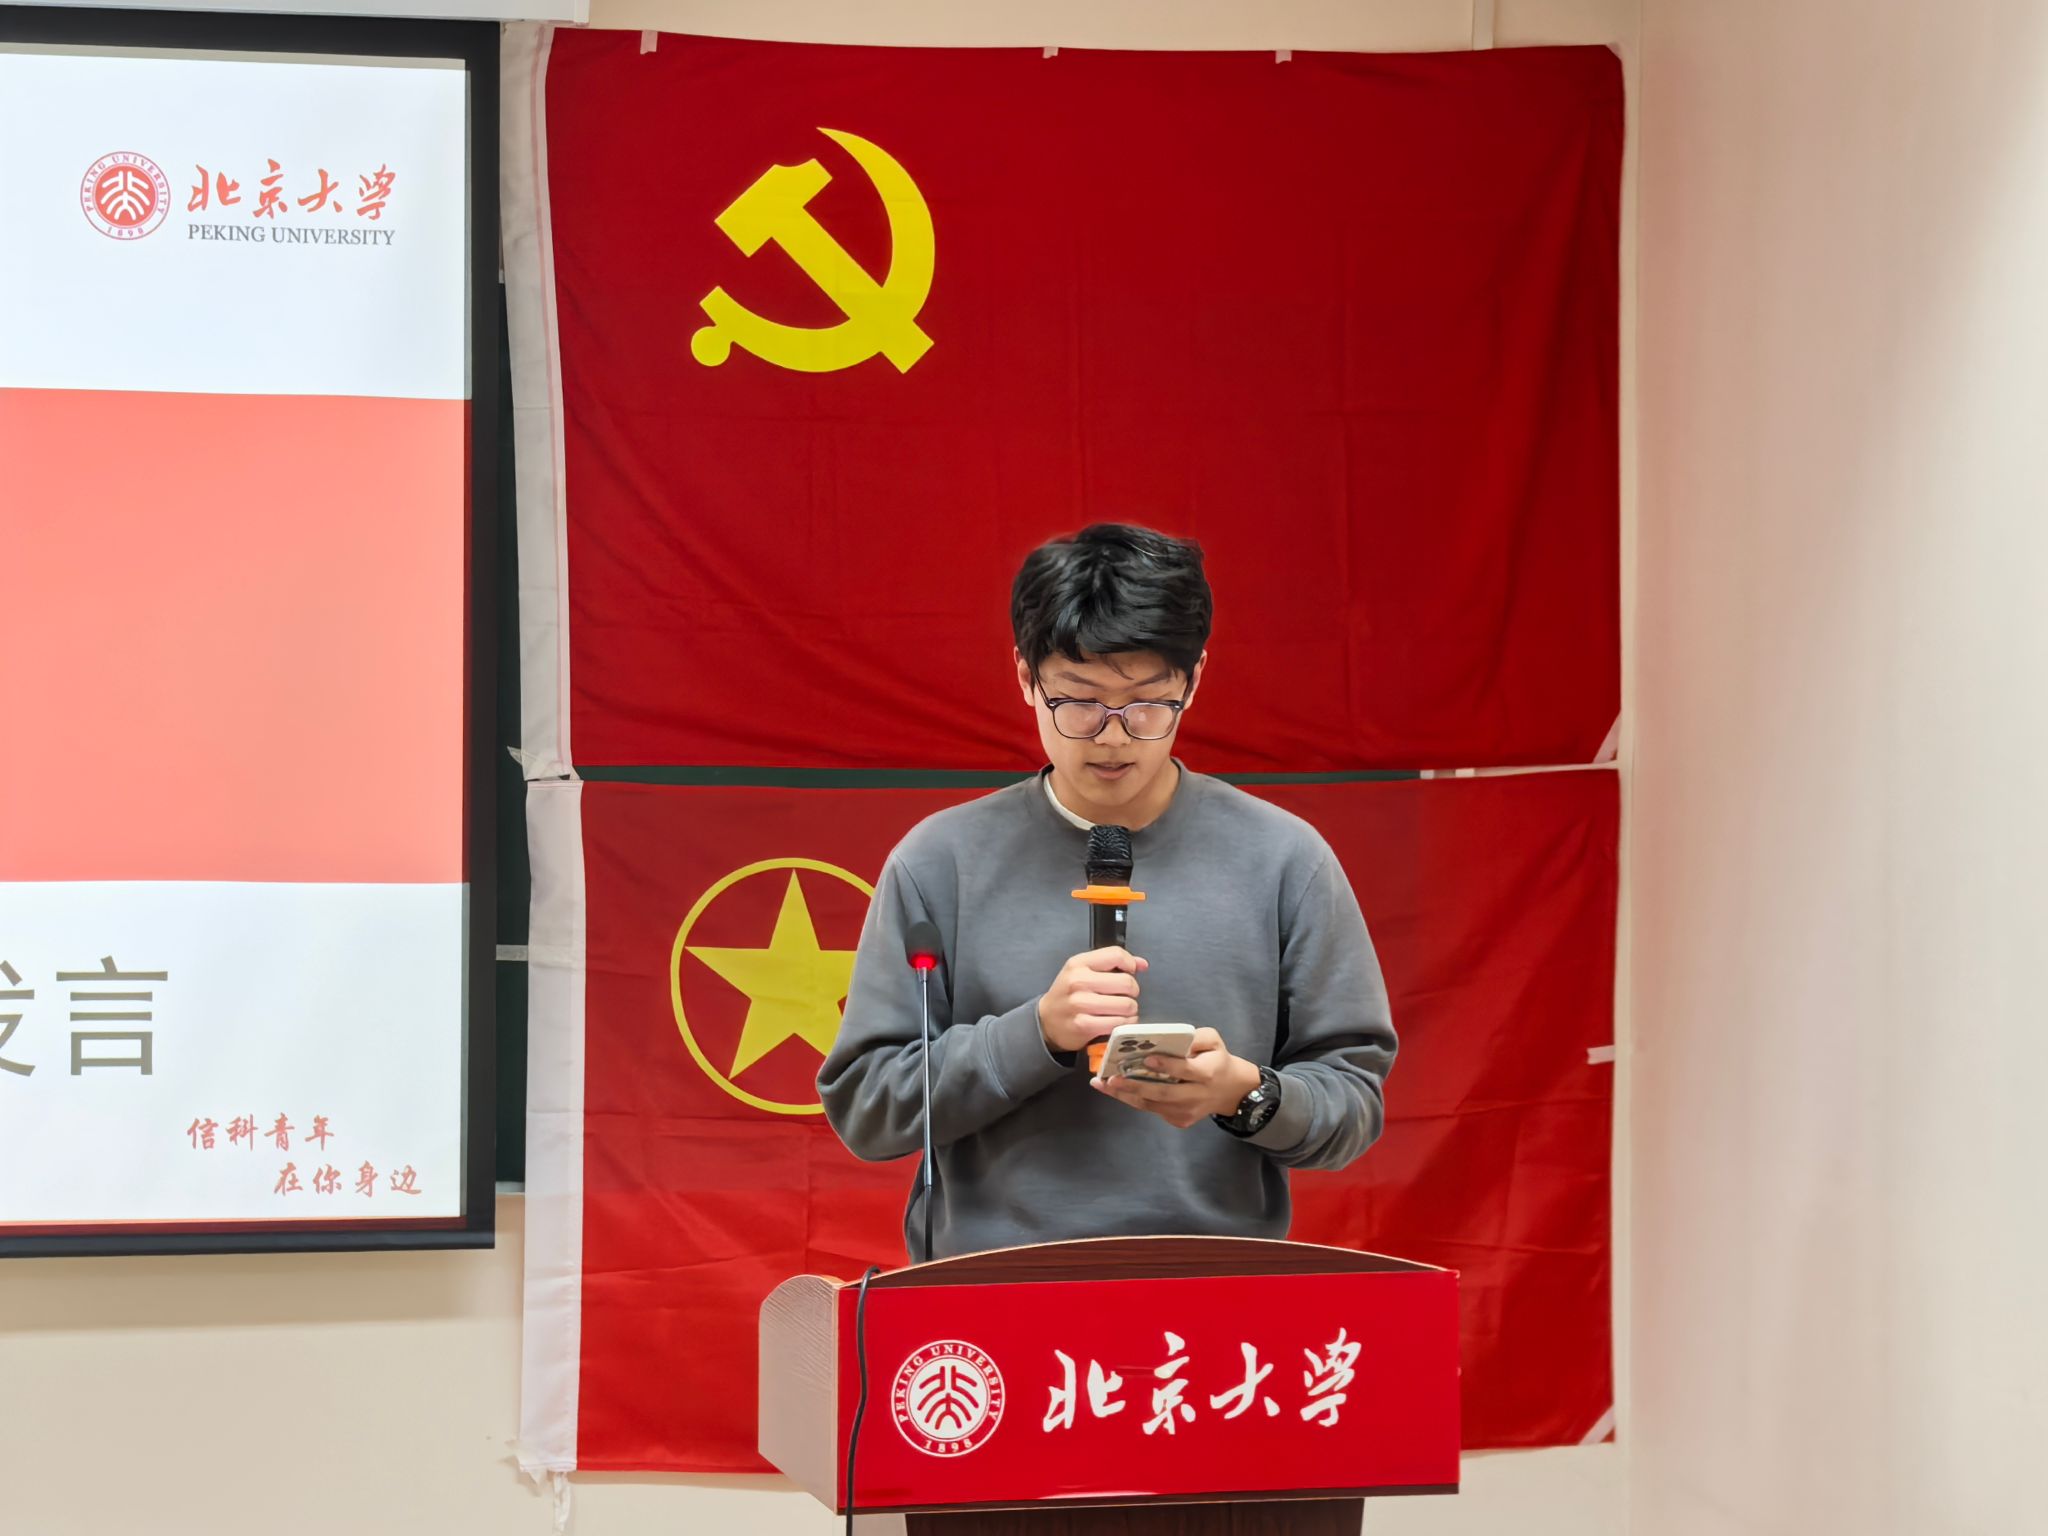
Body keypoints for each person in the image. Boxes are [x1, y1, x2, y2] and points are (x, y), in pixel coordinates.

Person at [818, 523, 1396, 1260]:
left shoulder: (1285, 859)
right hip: (992, 1294)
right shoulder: (939, 862)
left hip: (1215, 1294)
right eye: (1079, 701)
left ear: (1194, 680)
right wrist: (1037, 1033)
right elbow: (867, 1109)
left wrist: (1240, 1092)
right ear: (1025, 677)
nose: (1113, 737)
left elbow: (1353, 1105)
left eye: (1148, 703)